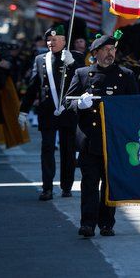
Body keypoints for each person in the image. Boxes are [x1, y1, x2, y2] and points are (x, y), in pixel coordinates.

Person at [67, 31, 139, 238]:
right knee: (89, 183)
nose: (110, 53)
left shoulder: (126, 75)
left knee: (109, 184)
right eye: (106, 50)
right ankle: (87, 223)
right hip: (90, 139)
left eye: (113, 49)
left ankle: (107, 223)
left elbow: (136, 107)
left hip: (114, 139)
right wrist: (79, 103)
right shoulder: (82, 74)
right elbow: (67, 101)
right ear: (95, 53)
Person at [19, 24, 82, 201]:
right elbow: (33, 86)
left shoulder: (75, 56)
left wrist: (72, 64)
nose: (51, 43)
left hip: (68, 111)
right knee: (47, 149)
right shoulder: (40, 59)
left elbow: (84, 79)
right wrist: (23, 110)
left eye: (55, 40)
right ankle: (47, 187)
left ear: (63, 40)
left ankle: (66, 186)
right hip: (48, 110)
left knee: (67, 150)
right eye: (48, 40)